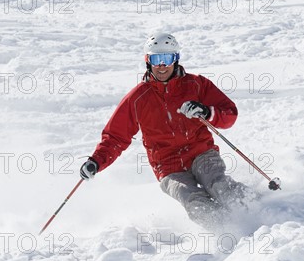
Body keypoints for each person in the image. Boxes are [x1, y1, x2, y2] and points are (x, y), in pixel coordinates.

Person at [79, 32, 253, 229]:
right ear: (148, 61)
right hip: (168, 166)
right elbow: (116, 136)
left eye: (167, 58)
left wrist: (207, 112)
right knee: (193, 200)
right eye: (156, 59)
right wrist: (96, 161)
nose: (162, 66)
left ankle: (255, 211)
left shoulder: (196, 84)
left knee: (218, 185)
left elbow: (229, 114)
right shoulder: (138, 98)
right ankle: (228, 231)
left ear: (175, 59)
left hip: (201, 152)